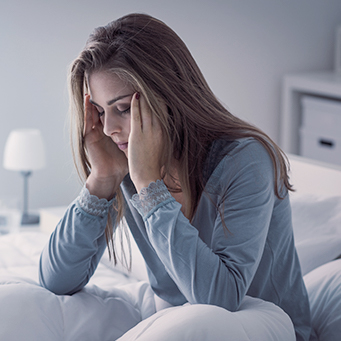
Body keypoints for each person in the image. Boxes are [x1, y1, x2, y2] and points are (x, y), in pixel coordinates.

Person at [39, 13, 311, 340]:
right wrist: (102, 177)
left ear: (168, 95)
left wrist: (150, 189)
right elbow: (55, 281)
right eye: (99, 111)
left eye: (123, 108)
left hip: (265, 330)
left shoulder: (245, 160)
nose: (109, 129)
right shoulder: (126, 162)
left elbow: (220, 301)